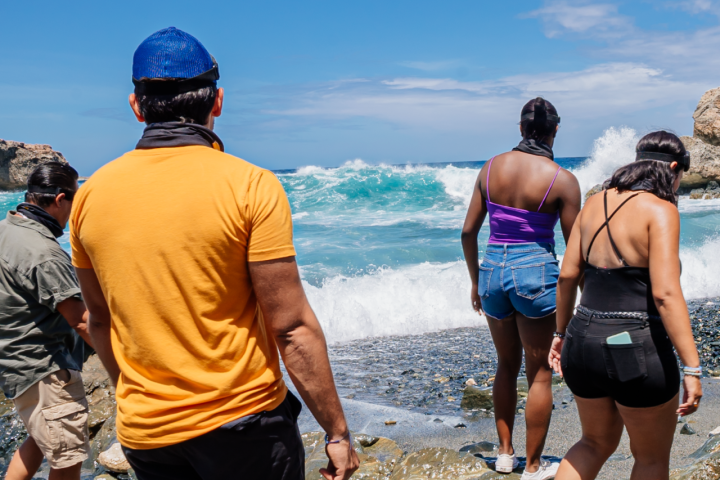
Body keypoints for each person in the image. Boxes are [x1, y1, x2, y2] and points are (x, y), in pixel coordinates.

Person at [70, 27, 358, 480]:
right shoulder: (250, 185)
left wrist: (135, 395)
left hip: (147, 434)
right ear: (217, 102)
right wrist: (336, 432)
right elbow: (291, 328)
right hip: (244, 425)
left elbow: (99, 320)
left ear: (136, 106)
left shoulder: (90, 195)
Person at [549, 130, 702, 480]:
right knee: (650, 458)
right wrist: (692, 369)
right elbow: (665, 294)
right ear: (675, 168)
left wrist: (560, 334)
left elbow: (566, 278)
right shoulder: (661, 210)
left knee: (592, 443)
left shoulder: (593, 203)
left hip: (580, 341)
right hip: (631, 346)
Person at [462, 97, 581, 479]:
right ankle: (532, 467)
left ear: (520, 128)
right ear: (555, 131)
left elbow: (468, 232)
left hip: (493, 269)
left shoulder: (491, 167)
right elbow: (574, 252)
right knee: (540, 373)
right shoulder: (562, 180)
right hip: (535, 273)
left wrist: (475, 281)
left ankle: (503, 453)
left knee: (505, 366)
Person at [0, 162, 92, 480]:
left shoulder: (8, 228)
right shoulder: (44, 252)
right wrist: (124, 362)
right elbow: (81, 321)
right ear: (60, 199)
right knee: (67, 459)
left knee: (40, 441)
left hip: (13, 359)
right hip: (46, 367)